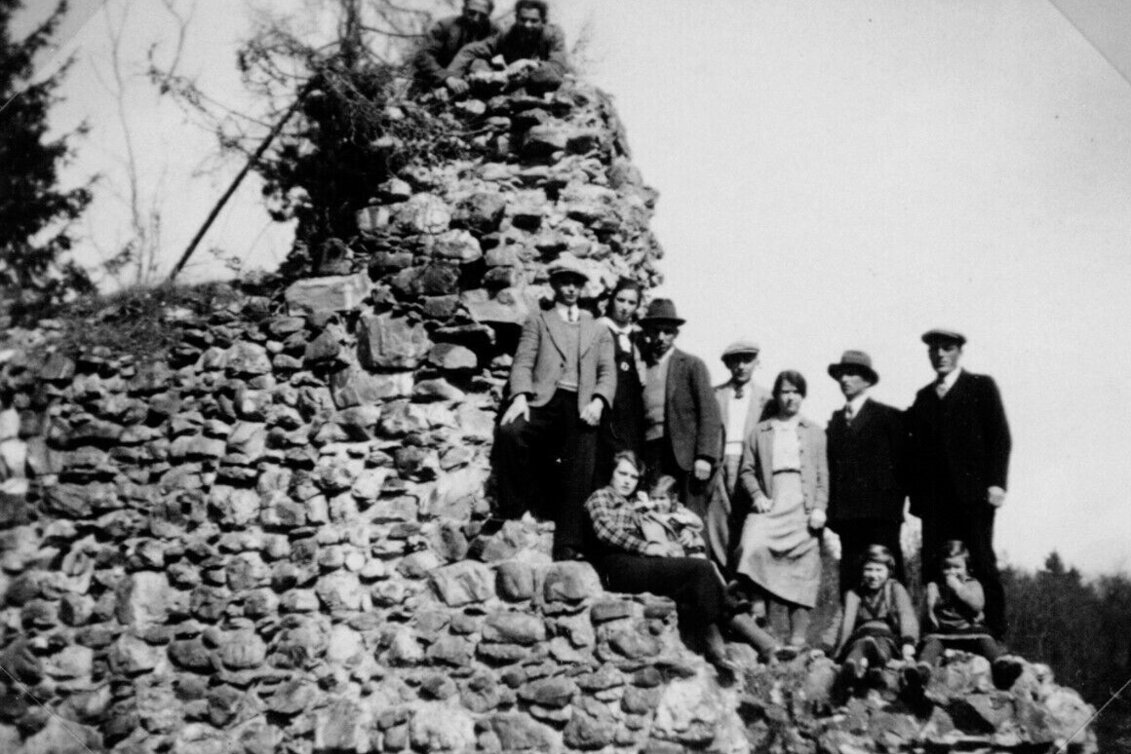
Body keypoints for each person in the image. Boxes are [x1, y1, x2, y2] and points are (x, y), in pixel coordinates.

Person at [585, 452, 778, 673]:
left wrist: (684, 528)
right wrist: (647, 547)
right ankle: (753, 643)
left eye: (633, 476)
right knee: (700, 569)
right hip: (618, 565)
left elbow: (669, 521)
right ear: (611, 473)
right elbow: (606, 532)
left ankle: (725, 651)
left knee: (695, 580)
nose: (627, 480)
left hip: (642, 562)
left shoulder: (637, 504)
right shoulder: (600, 498)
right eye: (622, 474)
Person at [493, 253, 615, 561]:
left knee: (581, 461)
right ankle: (516, 509)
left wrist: (599, 402)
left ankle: (567, 544)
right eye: (564, 282)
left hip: (580, 404)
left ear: (582, 288)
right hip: (544, 399)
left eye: (576, 283)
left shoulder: (598, 329)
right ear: (554, 285)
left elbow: (607, 371)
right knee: (510, 432)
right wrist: (520, 396)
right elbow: (522, 362)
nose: (571, 289)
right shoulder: (539, 319)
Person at [906, 329, 1012, 638]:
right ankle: (937, 630)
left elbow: (999, 436)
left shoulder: (981, 387)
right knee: (933, 565)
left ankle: (994, 630)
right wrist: (917, 497)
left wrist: (997, 483)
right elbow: (912, 450)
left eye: (947, 348)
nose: (940, 354)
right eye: (934, 350)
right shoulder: (924, 397)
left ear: (959, 352)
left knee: (980, 560)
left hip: (973, 497)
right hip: (935, 502)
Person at [733, 370, 828, 650]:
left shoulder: (814, 432)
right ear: (776, 395)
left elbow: (822, 475)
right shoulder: (760, 431)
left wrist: (820, 508)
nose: (790, 397)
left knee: (803, 563)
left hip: (802, 501)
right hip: (771, 500)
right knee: (751, 546)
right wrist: (758, 496)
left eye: (796, 392)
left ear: (803, 396)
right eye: (785, 391)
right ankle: (762, 617)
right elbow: (747, 471)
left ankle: (798, 637)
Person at [825, 350, 909, 593]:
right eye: (842, 375)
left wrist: (893, 507)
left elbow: (904, 466)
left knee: (888, 572)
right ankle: (855, 629)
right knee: (852, 576)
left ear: (867, 380)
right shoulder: (837, 421)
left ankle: (898, 628)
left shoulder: (889, 417)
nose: (844, 380)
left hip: (881, 517)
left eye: (851, 374)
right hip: (848, 518)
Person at [638, 299, 723, 519]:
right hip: (652, 451)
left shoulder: (692, 365)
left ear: (675, 334)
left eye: (667, 332)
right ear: (647, 331)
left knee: (689, 512)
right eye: (656, 331)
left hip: (684, 454)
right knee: (657, 509)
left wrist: (704, 456)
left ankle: (695, 554)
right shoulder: (642, 365)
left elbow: (709, 413)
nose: (661, 337)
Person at [908, 540, 1023, 690]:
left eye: (957, 567)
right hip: (944, 632)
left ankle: (1001, 668)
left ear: (966, 568)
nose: (951, 572)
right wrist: (926, 623)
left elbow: (978, 604)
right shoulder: (936, 586)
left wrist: (958, 588)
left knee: (985, 639)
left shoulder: (972, 584)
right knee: (932, 644)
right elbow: (926, 612)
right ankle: (922, 672)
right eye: (946, 567)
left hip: (969, 630)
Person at [705, 340, 772, 573]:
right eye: (736, 361)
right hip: (720, 464)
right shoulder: (714, 394)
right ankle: (723, 582)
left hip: (750, 467)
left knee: (747, 525)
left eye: (747, 360)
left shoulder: (768, 399)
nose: (741, 366)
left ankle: (741, 582)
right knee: (719, 525)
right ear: (728, 365)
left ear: (756, 363)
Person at [832, 544, 918, 687]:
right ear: (861, 571)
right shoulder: (853, 594)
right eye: (868, 569)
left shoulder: (894, 589)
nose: (873, 575)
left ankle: (875, 661)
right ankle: (850, 670)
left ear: (889, 572)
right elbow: (837, 622)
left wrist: (908, 641)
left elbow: (906, 614)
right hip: (860, 637)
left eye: (879, 570)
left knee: (878, 645)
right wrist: (825, 646)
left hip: (886, 638)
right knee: (860, 645)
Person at [445, 0, 570, 93]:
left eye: (534, 21)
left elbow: (557, 69)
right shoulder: (508, 34)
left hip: (543, 84)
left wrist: (528, 63)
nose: (527, 25)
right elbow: (471, 50)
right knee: (477, 64)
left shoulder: (553, 34)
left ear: (544, 21)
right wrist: (450, 77)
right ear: (516, 18)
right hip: (512, 84)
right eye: (523, 19)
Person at [595, 279, 645, 485]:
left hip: (631, 413)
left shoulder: (639, 336)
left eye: (631, 303)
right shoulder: (598, 328)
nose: (625, 307)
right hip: (606, 408)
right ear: (612, 300)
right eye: (621, 300)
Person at [414, 0, 499, 94]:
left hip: (473, 82)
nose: (476, 19)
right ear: (463, 10)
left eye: (483, 16)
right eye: (471, 13)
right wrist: (447, 78)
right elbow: (423, 56)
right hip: (438, 79)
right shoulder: (445, 26)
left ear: (489, 15)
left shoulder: (494, 31)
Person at [634, 475, 707, 558]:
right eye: (653, 498)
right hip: (668, 554)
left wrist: (688, 529)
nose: (657, 503)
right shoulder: (649, 515)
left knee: (701, 557)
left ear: (673, 499)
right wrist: (644, 505)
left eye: (662, 498)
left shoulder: (678, 511)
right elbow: (658, 543)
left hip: (689, 549)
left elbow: (698, 523)